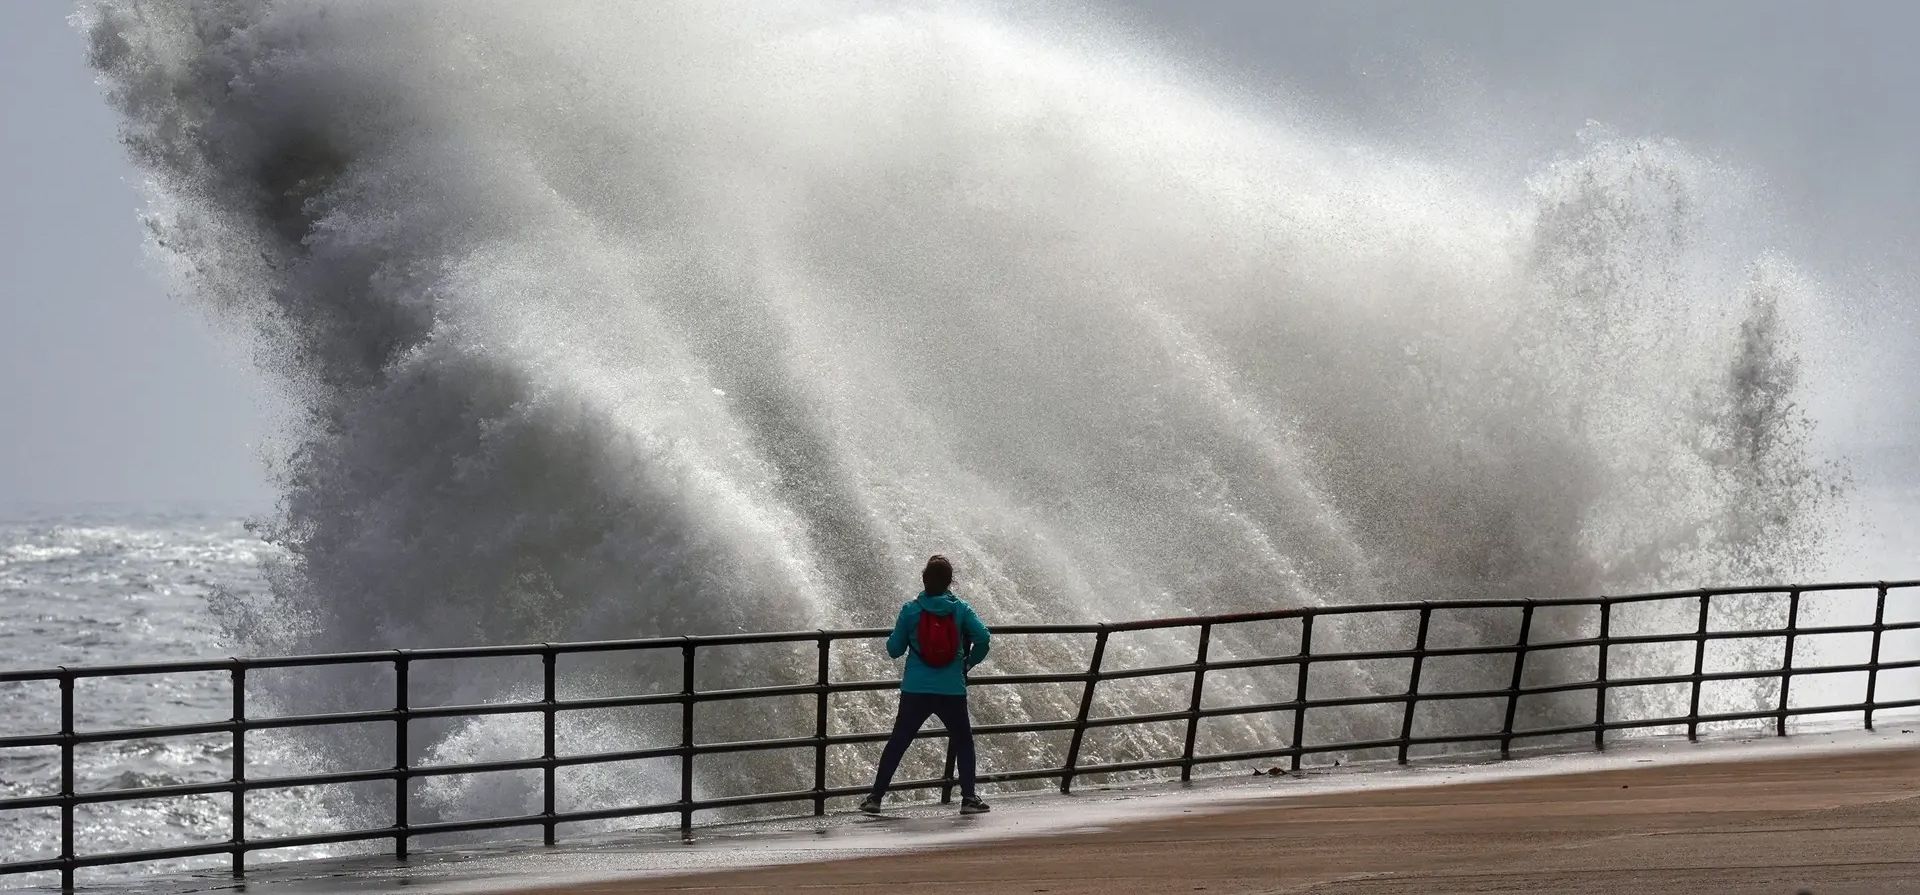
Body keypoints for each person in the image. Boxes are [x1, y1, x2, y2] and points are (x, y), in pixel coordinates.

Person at [860, 554, 993, 815]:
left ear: (924, 579)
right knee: (963, 741)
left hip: (916, 689)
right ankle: (968, 799)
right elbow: (984, 638)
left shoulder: (911, 610)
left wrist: (902, 637)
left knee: (898, 741)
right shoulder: (961, 609)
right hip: (951, 689)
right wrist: (966, 664)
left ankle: (875, 798)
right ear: (949, 582)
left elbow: (894, 649)